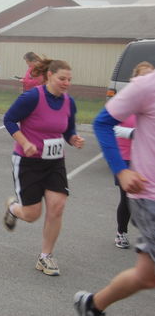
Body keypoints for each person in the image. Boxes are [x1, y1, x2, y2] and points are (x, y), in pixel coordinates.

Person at [73, 67, 155, 316]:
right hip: (149, 194)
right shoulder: (146, 86)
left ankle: (93, 305)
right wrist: (121, 170)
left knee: (146, 276)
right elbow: (103, 123)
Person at [2, 59, 85, 276]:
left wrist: (73, 138)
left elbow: (68, 129)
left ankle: (45, 256)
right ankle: (13, 208)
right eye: (62, 78)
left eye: (69, 79)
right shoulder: (32, 97)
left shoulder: (69, 102)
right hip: (28, 161)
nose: (66, 83)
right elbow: (9, 119)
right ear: (50, 76)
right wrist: (24, 142)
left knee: (57, 207)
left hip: (55, 161)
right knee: (31, 214)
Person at [108, 62, 153, 250]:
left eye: (149, 75)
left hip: (145, 160)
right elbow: (109, 127)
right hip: (125, 157)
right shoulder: (127, 101)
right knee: (127, 198)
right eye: (142, 76)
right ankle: (121, 232)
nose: (146, 80)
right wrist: (131, 133)